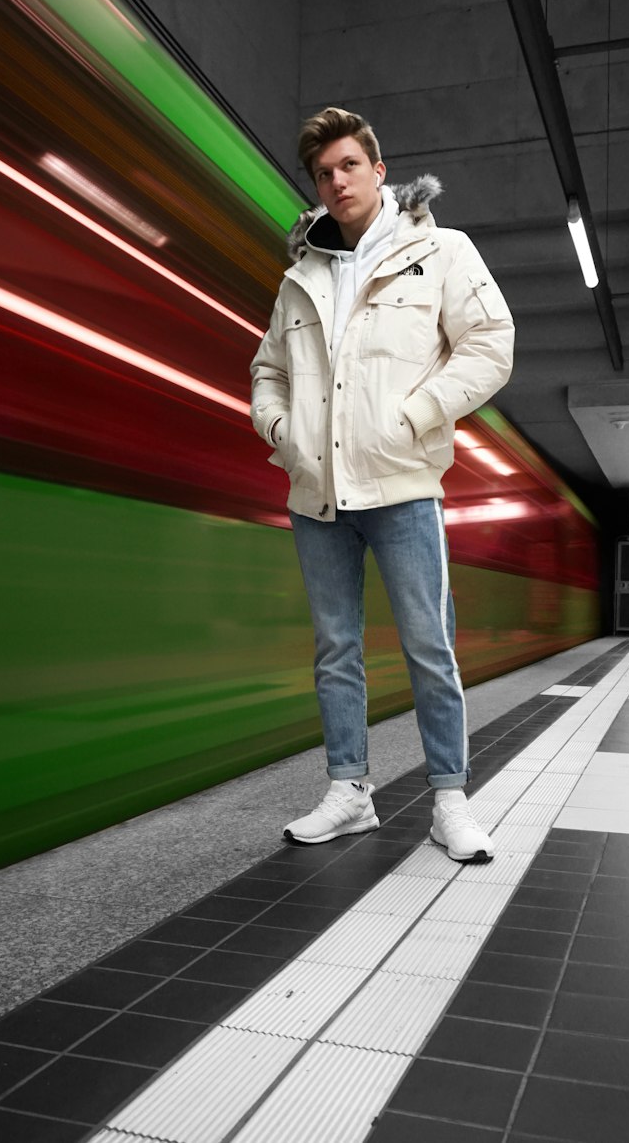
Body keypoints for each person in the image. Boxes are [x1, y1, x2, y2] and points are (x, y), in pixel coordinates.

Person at [250, 106, 514, 862]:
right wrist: (281, 431)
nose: (336, 181)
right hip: (317, 494)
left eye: (348, 166)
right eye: (323, 173)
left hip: (401, 486)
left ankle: (450, 802)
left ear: (380, 171)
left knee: (430, 645)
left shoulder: (441, 252)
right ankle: (349, 793)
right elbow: (267, 372)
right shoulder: (301, 276)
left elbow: (491, 346)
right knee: (336, 649)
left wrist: (416, 415)